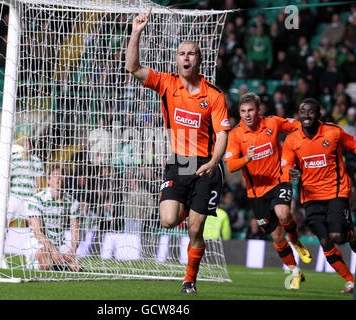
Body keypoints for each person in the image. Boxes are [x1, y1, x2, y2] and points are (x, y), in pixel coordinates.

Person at [125, 8, 230, 294]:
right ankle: (189, 207)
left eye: (191, 53)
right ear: (176, 59)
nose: (186, 57)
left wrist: (214, 162)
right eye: (182, 53)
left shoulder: (214, 95)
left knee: (195, 230)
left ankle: (189, 280)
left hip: (206, 165)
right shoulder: (167, 83)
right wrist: (137, 32)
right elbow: (133, 68)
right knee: (169, 220)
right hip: (179, 162)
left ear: (199, 60)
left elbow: (223, 135)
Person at [224, 93, 312, 290]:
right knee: (277, 237)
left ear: (259, 110)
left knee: (283, 212)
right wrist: (246, 158)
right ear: (239, 112)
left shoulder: (272, 123)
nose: (247, 115)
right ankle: (295, 271)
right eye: (243, 111)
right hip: (256, 193)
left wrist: (299, 146)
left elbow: (297, 125)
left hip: (279, 180)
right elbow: (230, 166)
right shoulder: (235, 135)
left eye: (251, 110)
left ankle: (297, 241)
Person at [281, 98, 356, 294]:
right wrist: (289, 172)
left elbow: (354, 145)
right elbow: (285, 166)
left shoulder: (333, 132)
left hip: (336, 192)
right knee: (325, 241)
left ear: (319, 114)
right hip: (310, 198)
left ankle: (351, 235)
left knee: (338, 236)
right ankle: (350, 280)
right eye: (302, 111)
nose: (306, 115)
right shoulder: (292, 139)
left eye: (311, 112)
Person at [27, 164, 82, 272]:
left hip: (59, 244)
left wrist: (72, 250)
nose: (58, 178)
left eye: (61, 175)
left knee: (77, 267)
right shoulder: (37, 199)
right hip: (40, 243)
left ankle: (58, 265)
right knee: (46, 263)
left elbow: (75, 233)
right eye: (55, 175)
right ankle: (34, 264)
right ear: (48, 180)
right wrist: (52, 250)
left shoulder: (73, 202)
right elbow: (38, 233)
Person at [7, 137, 44, 226]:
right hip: (15, 195)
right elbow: (9, 178)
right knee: (7, 217)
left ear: (32, 147)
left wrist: (36, 195)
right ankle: (2, 237)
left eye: (28, 145)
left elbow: (38, 180)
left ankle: (30, 238)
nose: (26, 146)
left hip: (29, 196)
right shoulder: (14, 159)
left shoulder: (36, 161)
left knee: (31, 220)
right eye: (24, 144)